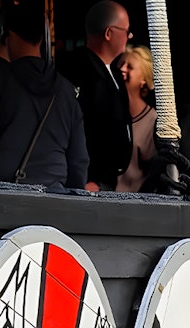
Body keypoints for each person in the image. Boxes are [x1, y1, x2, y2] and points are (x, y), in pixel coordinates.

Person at [0, 0, 88, 190]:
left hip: (4, 194)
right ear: (42, 39)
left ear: (9, 36)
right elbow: (79, 160)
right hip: (55, 193)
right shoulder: (66, 89)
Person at [59, 1, 133, 191]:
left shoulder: (114, 73)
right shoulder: (78, 72)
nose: (130, 36)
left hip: (108, 180)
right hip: (89, 182)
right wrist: (88, 179)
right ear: (108, 33)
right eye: (126, 31)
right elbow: (77, 128)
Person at [115, 45, 158, 192]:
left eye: (130, 67)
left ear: (143, 80)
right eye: (121, 64)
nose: (122, 69)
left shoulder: (152, 120)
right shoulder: (111, 110)